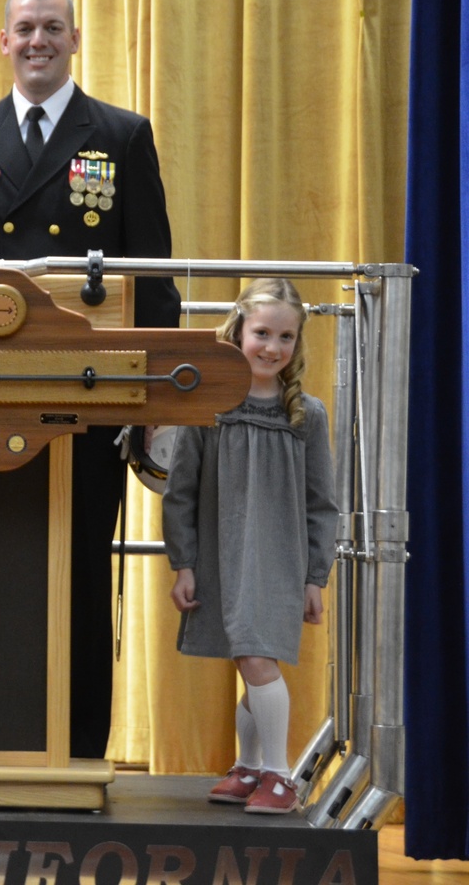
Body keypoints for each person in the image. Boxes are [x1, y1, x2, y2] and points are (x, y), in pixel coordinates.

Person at [0, 0, 182, 759]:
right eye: (24, 28)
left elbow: (154, 275)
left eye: (52, 28)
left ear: (75, 39)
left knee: (77, 566)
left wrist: (147, 397)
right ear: (3, 42)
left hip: (90, 392)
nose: (37, 40)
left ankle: (77, 750)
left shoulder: (120, 133)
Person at [162, 278, 338, 814]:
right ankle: (249, 765)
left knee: (258, 658)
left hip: (279, 563)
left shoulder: (306, 416)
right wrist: (184, 563)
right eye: (262, 332)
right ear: (237, 331)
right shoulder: (210, 408)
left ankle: (280, 776)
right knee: (246, 660)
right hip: (221, 559)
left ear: (296, 344)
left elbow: (320, 504)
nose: (272, 347)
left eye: (285, 337)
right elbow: (181, 493)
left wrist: (315, 575)